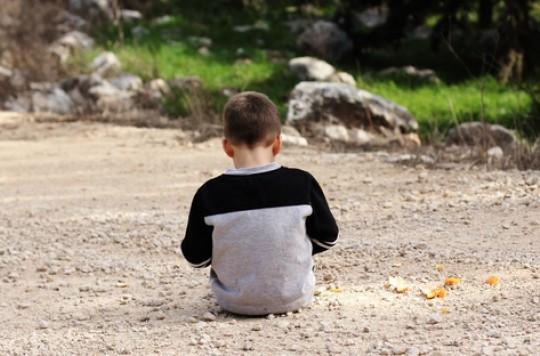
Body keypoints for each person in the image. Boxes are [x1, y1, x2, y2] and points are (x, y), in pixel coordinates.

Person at [181, 91, 339, 315]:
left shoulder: (208, 194)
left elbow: (196, 258)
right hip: (296, 297)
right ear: (277, 145)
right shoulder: (302, 183)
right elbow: (328, 237)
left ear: (227, 147)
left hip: (234, 303)